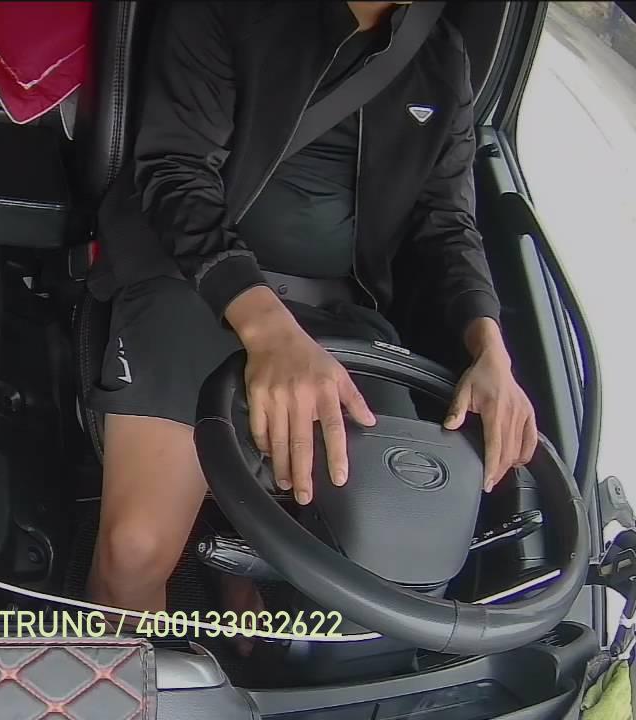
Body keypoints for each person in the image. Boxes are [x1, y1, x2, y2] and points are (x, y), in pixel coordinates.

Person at [84, 1, 539, 615]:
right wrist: (270, 332)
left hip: (343, 314)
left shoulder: (439, 55)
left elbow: (447, 226)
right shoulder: (223, 11)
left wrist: (491, 352)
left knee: (395, 565)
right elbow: (176, 172)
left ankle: (231, 553)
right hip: (189, 279)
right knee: (132, 555)